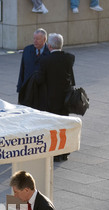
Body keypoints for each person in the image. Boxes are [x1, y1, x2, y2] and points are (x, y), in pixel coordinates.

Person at [35, 33, 75, 161]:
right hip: (65, 99)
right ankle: (64, 153)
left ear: (49, 45)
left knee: (53, 127)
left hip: (50, 100)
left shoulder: (45, 60)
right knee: (64, 126)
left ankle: (55, 153)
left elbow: (40, 80)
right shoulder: (70, 58)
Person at [16, 28, 49, 109]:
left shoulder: (49, 52)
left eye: (38, 39)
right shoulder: (27, 50)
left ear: (44, 39)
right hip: (28, 90)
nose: (35, 41)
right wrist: (19, 87)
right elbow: (22, 70)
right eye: (34, 38)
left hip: (42, 92)